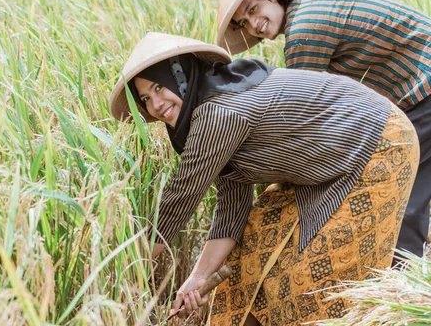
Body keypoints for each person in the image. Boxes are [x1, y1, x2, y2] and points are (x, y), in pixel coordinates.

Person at [109, 31, 419, 325]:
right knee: (252, 251)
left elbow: (180, 200)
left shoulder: (217, 112)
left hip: (378, 142)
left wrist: (126, 267)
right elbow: (232, 202)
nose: (156, 105)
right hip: (321, 165)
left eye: (159, 87)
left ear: (180, 77)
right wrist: (200, 277)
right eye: (146, 99)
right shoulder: (205, 111)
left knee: (317, 278)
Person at [216, 0, 431, 262]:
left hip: (425, 88)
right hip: (420, 90)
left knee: (400, 188)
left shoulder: (303, 33)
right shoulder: (313, 8)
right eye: (245, 22)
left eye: (254, 9)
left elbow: (303, 124)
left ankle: (401, 285)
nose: (255, 24)